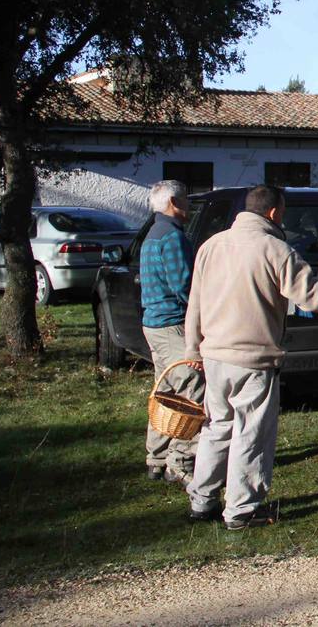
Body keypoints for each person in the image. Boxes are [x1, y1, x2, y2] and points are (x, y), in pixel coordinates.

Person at [183, 184, 318, 529]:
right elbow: (312, 298)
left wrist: (192, 347)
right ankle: (241, 511)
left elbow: (195, 301)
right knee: (251, 433)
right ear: (275, 212)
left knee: (217, 428)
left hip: (214, 355)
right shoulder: (276, 249)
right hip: (254, 359)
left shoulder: (210, 246)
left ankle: (201, 502)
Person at [139, 179, 202, 484]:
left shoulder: (153, 233)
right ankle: (180, 460)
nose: (189, 206)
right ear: (174, 203)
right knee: (194, 391)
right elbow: (184, 286)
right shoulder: (173, 237)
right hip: (172, 324)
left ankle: (157, 456)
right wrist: (206, 315)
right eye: (187, 200)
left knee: (164, 393)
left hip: (153, 322)